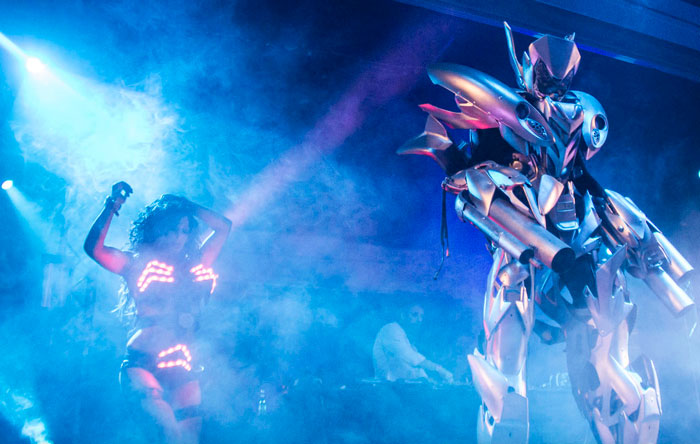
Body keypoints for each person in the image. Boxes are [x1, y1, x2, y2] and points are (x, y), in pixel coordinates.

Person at [84, 181, 231, 444]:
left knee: (188, 441)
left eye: (184, 230)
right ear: (157, 229)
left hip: (182, 366)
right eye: (171, 229)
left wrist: (186, 205)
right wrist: (112, 206)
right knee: (168, 434)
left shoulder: (196, 265)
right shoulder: (136, 264)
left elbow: (224, 227)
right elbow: (94, 249)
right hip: (143, 363)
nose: (177, 237)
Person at [372, 304, 453, 383]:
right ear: (403, 315)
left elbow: (405, 369)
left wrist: (427, 379)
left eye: (421, 316)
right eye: (415, 315)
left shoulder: (403, 335)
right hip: (386, 386)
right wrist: (438, 369)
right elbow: (409, 356)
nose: (420, 320)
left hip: (399, 385)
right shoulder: (391, 329)